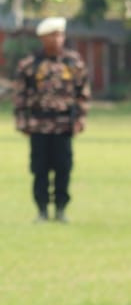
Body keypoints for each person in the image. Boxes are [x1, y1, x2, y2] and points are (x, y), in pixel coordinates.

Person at [14, 16, 89, 223]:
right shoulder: (30, 65)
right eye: (53, 35)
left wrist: (81, 119)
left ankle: (61, 209)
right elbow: (20, 96)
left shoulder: (73, 63)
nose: (57, 39)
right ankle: (42, 210)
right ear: (43, 38)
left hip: (64, 125)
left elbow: (82, 93)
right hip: (38, 126)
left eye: (60, 35)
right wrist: (22, 122)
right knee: (39, 169)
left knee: (63, 168)